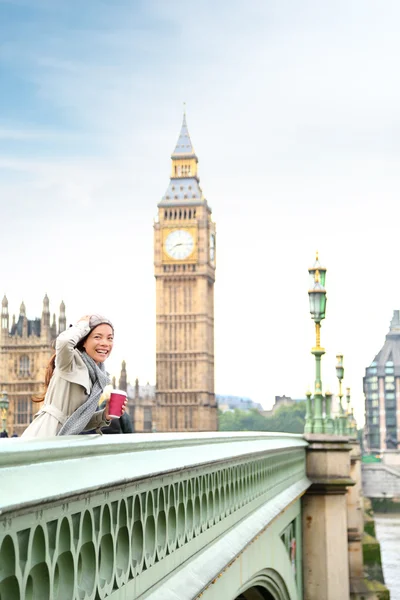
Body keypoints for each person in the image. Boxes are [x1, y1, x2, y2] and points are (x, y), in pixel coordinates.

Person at [22, 314, 127, 438]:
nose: (105, 343)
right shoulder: (70, 362)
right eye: (98, 337)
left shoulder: (97, 375)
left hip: (64, 439)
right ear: (83, 341)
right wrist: (83, 325)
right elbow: (64, 341)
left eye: (110, 338)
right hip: (45, 434)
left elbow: (77, 421)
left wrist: (104, 415)